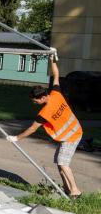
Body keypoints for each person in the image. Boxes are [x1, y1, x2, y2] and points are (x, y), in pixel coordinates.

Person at [7, 51, 82, 199]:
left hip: (71, 136)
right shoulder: (55, 93)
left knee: (63, 162)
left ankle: (75, 191)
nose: (34, 103)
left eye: (35, 101)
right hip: (75, 131)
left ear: (41, 97)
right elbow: (56, 74)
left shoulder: (44, 113)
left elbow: (32, 128)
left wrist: (16, 138)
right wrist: (52, 57)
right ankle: (67, 190)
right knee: (60, 164)